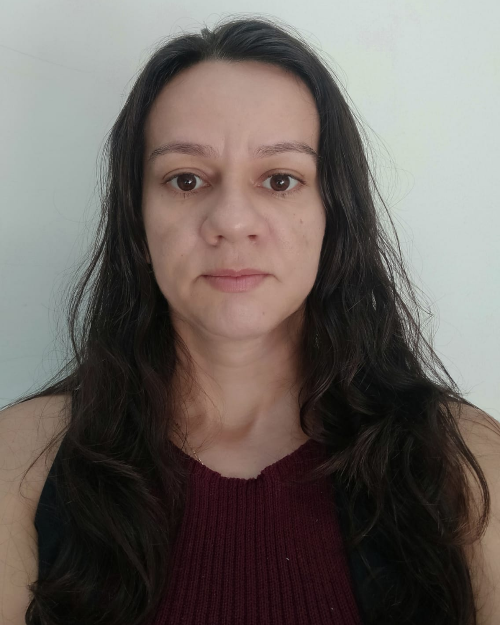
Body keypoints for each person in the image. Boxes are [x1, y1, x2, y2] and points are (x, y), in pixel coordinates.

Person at [1, 15, 499, 625]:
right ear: (136, 217)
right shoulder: (19, 461)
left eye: (280, 180)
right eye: (186, 179)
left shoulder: (468, 462)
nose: (232, 221)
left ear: (334, 213)